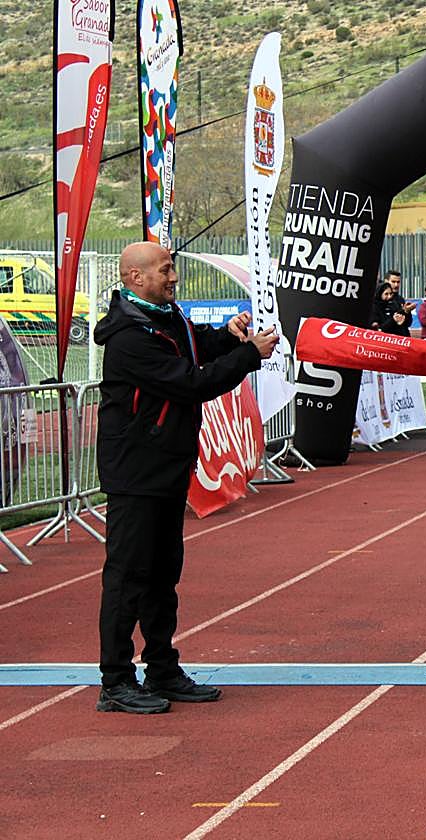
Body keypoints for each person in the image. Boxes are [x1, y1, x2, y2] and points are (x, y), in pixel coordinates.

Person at [94, 242, 278, 714]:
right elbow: (191, 382)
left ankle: (162, 666)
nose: (174, 276)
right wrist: (249, 356)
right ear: (135, 277)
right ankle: (115, 680)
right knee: (128, 577)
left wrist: (229, 337)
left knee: (162, 575)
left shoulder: (164, 315)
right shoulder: (129, 337)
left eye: (172, 267)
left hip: (168, 466)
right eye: (165, 269)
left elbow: (194, 344)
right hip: (135, 472)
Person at [383, 270, 415, 336]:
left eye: (398, 282)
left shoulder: (400, 299)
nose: (396, 285)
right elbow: (382, 326)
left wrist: (407, 312)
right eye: (393, 282)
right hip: (389, 339)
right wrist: (403, 311)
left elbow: (408, 323)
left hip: (403, 338)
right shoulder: (380, 300)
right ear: (386, 281)